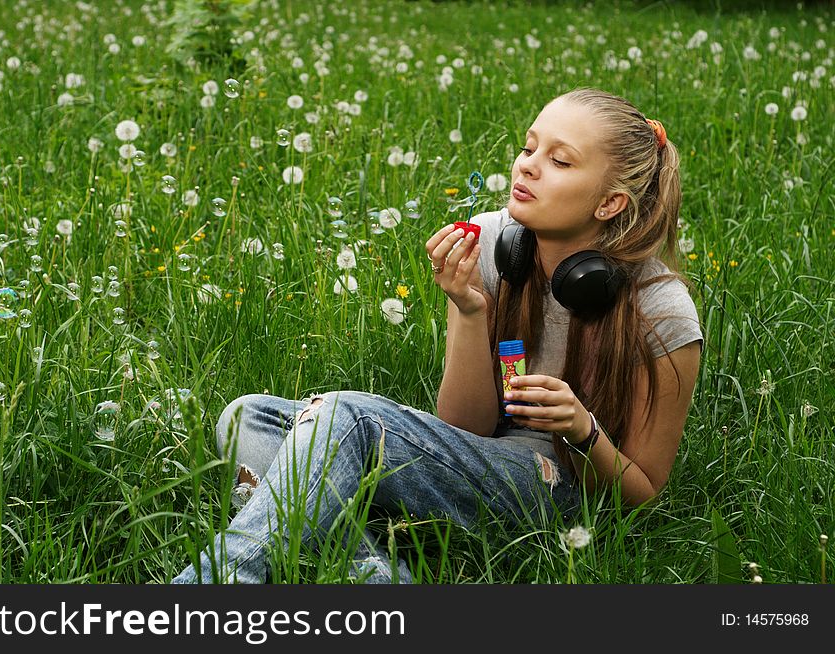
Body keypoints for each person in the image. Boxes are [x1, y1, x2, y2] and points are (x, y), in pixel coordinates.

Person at [171, 87, 703, 584]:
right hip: (479, 456)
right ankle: (379, 577)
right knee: (251, 417)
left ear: (609, 203)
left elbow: (644, 494)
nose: (527, 165)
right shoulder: (496, 242)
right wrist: (469, 309)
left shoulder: (660, 309)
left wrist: (582, 430)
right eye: (528, 147)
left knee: (343, 422)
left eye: (559, 161)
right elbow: (463, 425)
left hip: (557, 488)